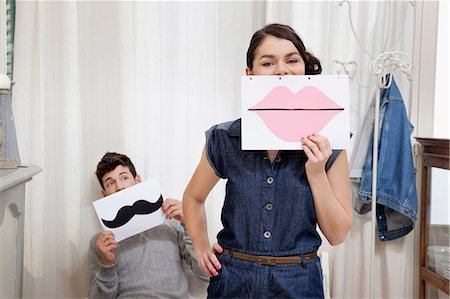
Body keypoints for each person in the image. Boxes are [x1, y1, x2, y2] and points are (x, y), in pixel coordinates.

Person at [182, 23, 352, 299]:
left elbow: (338, 234)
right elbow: (193, 197)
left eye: (292, 60)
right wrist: (201, 247)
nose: (282, 69)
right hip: (233, 280)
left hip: (299, 283)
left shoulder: (331, 142)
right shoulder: (225, 138)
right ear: (250, 75)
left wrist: (317, 172)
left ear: (304, 69)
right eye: (268, 63)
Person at [88, 152, 208, 298]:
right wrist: (107, 263)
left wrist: (189, 224)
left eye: (124, 178)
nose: (119, 187)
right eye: (110, 183)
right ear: (104, 193)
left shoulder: (172, 222)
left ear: (137, 181)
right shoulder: (101, 242)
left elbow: (205, 275)